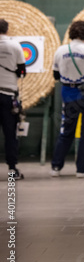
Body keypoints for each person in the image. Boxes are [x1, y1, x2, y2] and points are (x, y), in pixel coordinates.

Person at [51, 21, 84, 178]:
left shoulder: (60, 51)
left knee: (66, 132)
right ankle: (81, 170)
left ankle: (56, 168)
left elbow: (56, 76)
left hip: (69, 96)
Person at [0, 19, 26, 180]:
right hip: (8, 96)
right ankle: (12, 170)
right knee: (10, 134)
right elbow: (22, 71)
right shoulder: (15, 45)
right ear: (7, 30)